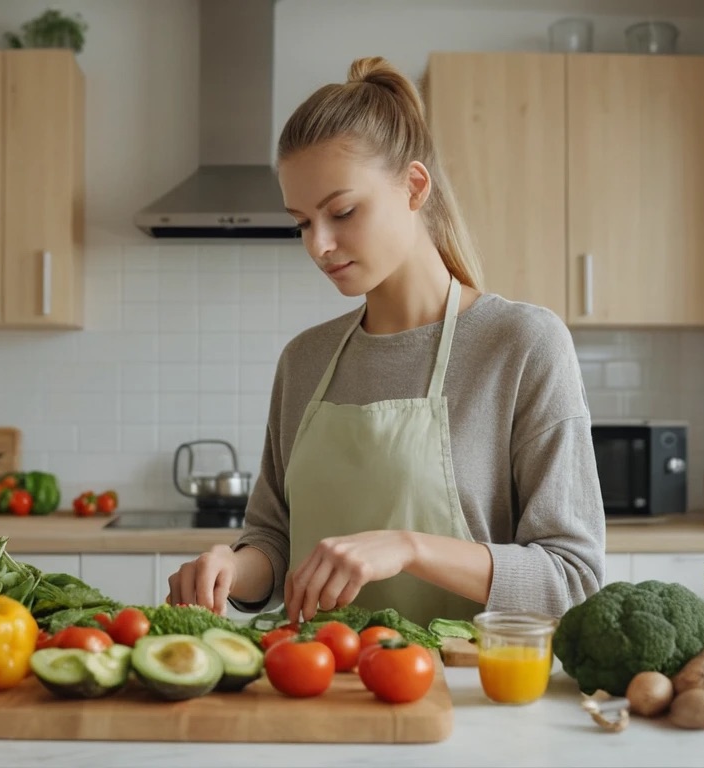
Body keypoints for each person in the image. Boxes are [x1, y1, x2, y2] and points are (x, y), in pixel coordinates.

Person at [166, 56, 605, 628]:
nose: (319, 245)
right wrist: (230, 564)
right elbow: (274, 544)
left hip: (467, 699)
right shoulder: (306, 360)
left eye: (342, 212)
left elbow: (572, 579)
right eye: (301, 222)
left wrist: (409, 547)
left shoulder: (521, 344)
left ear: (415, 186)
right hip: (316, 686)